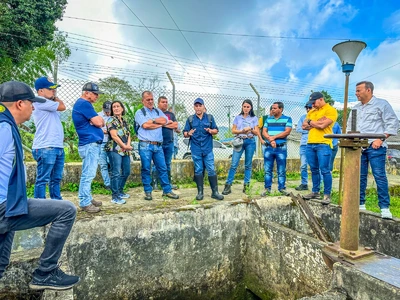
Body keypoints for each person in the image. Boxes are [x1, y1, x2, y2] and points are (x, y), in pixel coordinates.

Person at [0, 81, 79, 290]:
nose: (33, 107)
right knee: (66, 211)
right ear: (19, 104)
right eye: (30, 103)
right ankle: (46, 273)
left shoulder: (7, 126)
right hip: (4, 207)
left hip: (9, 203)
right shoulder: (3, 129)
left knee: (0, 264)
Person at [347, 81, 399, 219]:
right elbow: (349, 127)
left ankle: (384, 207)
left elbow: (393, 122)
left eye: (359, 90)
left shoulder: (382, 104)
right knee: (360, 177)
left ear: (368, 90)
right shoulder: (356, 108)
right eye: (356, 91)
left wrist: (381, 139)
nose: (356, 93)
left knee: (379, 176)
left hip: (376, 147)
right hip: (359, 147)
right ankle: (361, 204)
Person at [135, 91, 179, 201]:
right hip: (145, 145)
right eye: (147, 99)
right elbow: (145, 125)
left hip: (158, 145)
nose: (150, 101)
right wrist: (159, 124)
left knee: (163, 168)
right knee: (146, 168)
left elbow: (165, 120)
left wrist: (154, 121)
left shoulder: (157, 111)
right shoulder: (140, 113)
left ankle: (167, 190)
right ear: (143, 101)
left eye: (151, 99)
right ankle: (148, 192)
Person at [72, 82, 105, 213]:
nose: (97, 96)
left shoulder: (86, 105)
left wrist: (98, 121)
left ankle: (88, 197)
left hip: (91, 143)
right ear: (86, 93)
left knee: (89, 173)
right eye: (95, 93)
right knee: (88, 174)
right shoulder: (83, 104)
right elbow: (99, 122)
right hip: (89, 143)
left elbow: (100, 122)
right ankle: (85, 202)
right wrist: (96, 121)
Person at [31, 77, 66, 200]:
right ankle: (40, 207)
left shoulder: (47, 103)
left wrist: (52, 97)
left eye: (54, 89)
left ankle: (56, 203)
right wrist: (55, 98)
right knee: (43, 179)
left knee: (55, 178)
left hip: (55, 146)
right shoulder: (40, 101)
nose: (54, 91)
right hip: (46, 146)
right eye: (50, 89)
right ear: (40, 91)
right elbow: (63, 106)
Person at [183, 98, 224, 201]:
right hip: (196, 149)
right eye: (196, 106)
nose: (198, 108)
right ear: (194, 107)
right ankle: (200, 193)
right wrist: (188, 134)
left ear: (203, 106)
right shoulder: (190, 119)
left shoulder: (210, 118)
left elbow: (216, 130)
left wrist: (210, 130)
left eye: (200, 105)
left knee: (211, 169)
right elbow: (184, 132)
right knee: (199, 170)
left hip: (207, 149)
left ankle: (215, 192)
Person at [302, 92, 338, 205]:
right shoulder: (312, 111)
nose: (312, 104)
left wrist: (311, 122)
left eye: (314, 102)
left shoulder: (330, 110)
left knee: (325, 170)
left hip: (323, 143)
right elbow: (304, 126)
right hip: (310, 143)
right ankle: (315, 191)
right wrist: (315, 122)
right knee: (313, 169)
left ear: (321, 99)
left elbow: (323, 126)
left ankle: (327, 194)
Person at [222, 99, 260, 195]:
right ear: (242, 107)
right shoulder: (238, 118)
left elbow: (256, 132)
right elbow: (233, 130)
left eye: (248, 107)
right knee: (234, 164)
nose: (246, 108)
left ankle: (246, 186)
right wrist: (242, 131)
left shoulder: (254, 118)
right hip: (239, 141)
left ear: (251, 107)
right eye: (244, 106)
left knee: (248, 165)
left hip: (250, 142)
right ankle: (228, 185)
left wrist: (250, 129)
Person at [261, 102, 292, 196]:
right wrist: (271, 140)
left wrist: (273, 138)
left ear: (281, 109)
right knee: (267, 170)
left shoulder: (287, 119)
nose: (272, 110)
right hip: (269, 147)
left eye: (275, 108)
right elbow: (264, 131)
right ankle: (267, 189)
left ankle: (282, 188)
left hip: (281, 148)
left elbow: (287, 132)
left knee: (281, 169)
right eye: (272, 108)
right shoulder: (268, 119)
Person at [105, 101, 132, 205]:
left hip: (125, 149)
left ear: (122, 108)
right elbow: (114, 136)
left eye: (118, 106)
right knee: (116, 172)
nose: (116, 108)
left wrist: (128, 146)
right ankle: (115, 196)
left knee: (126, 171)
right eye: (114, 107)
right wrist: (124, 146)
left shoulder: (125, 120)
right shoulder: (111, 120)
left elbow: (129, 134)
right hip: (114, 149)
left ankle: (120, 191)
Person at [151, 97, 179, 190]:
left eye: (166, 102)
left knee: (167, 164)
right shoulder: (155, 113)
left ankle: (168, 184)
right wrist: (167, 124)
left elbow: (175, 125)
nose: (165, 104)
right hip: (158, 143)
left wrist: (163, 124)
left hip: (169, 143)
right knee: (156, 164)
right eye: (163, 102)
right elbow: (153, 124)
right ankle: (155, 184)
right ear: (158, 103)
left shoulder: (170, 114)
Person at [295, 103, 313, 191]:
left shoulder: (317, 117)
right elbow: (298, 129)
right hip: (304, 144)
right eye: (307, 107)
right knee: (303, 165)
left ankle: (318, 185)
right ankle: (304, 183)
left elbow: (319, 128)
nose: (308, 109)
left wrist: (306, 127)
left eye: (310, 107)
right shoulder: (303, 117)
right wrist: (311, 128)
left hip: (314, 143)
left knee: (315, 166)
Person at [98, 101, 112, 190]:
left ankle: (113, 182)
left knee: (112, 163)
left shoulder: (113, 116)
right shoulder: (98, 116)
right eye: (106, 111)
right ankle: (107, 184)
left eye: (109, 111)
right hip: (102, 142)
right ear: (103, 109)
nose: (108, 113)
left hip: (111, 142)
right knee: (103, 164)